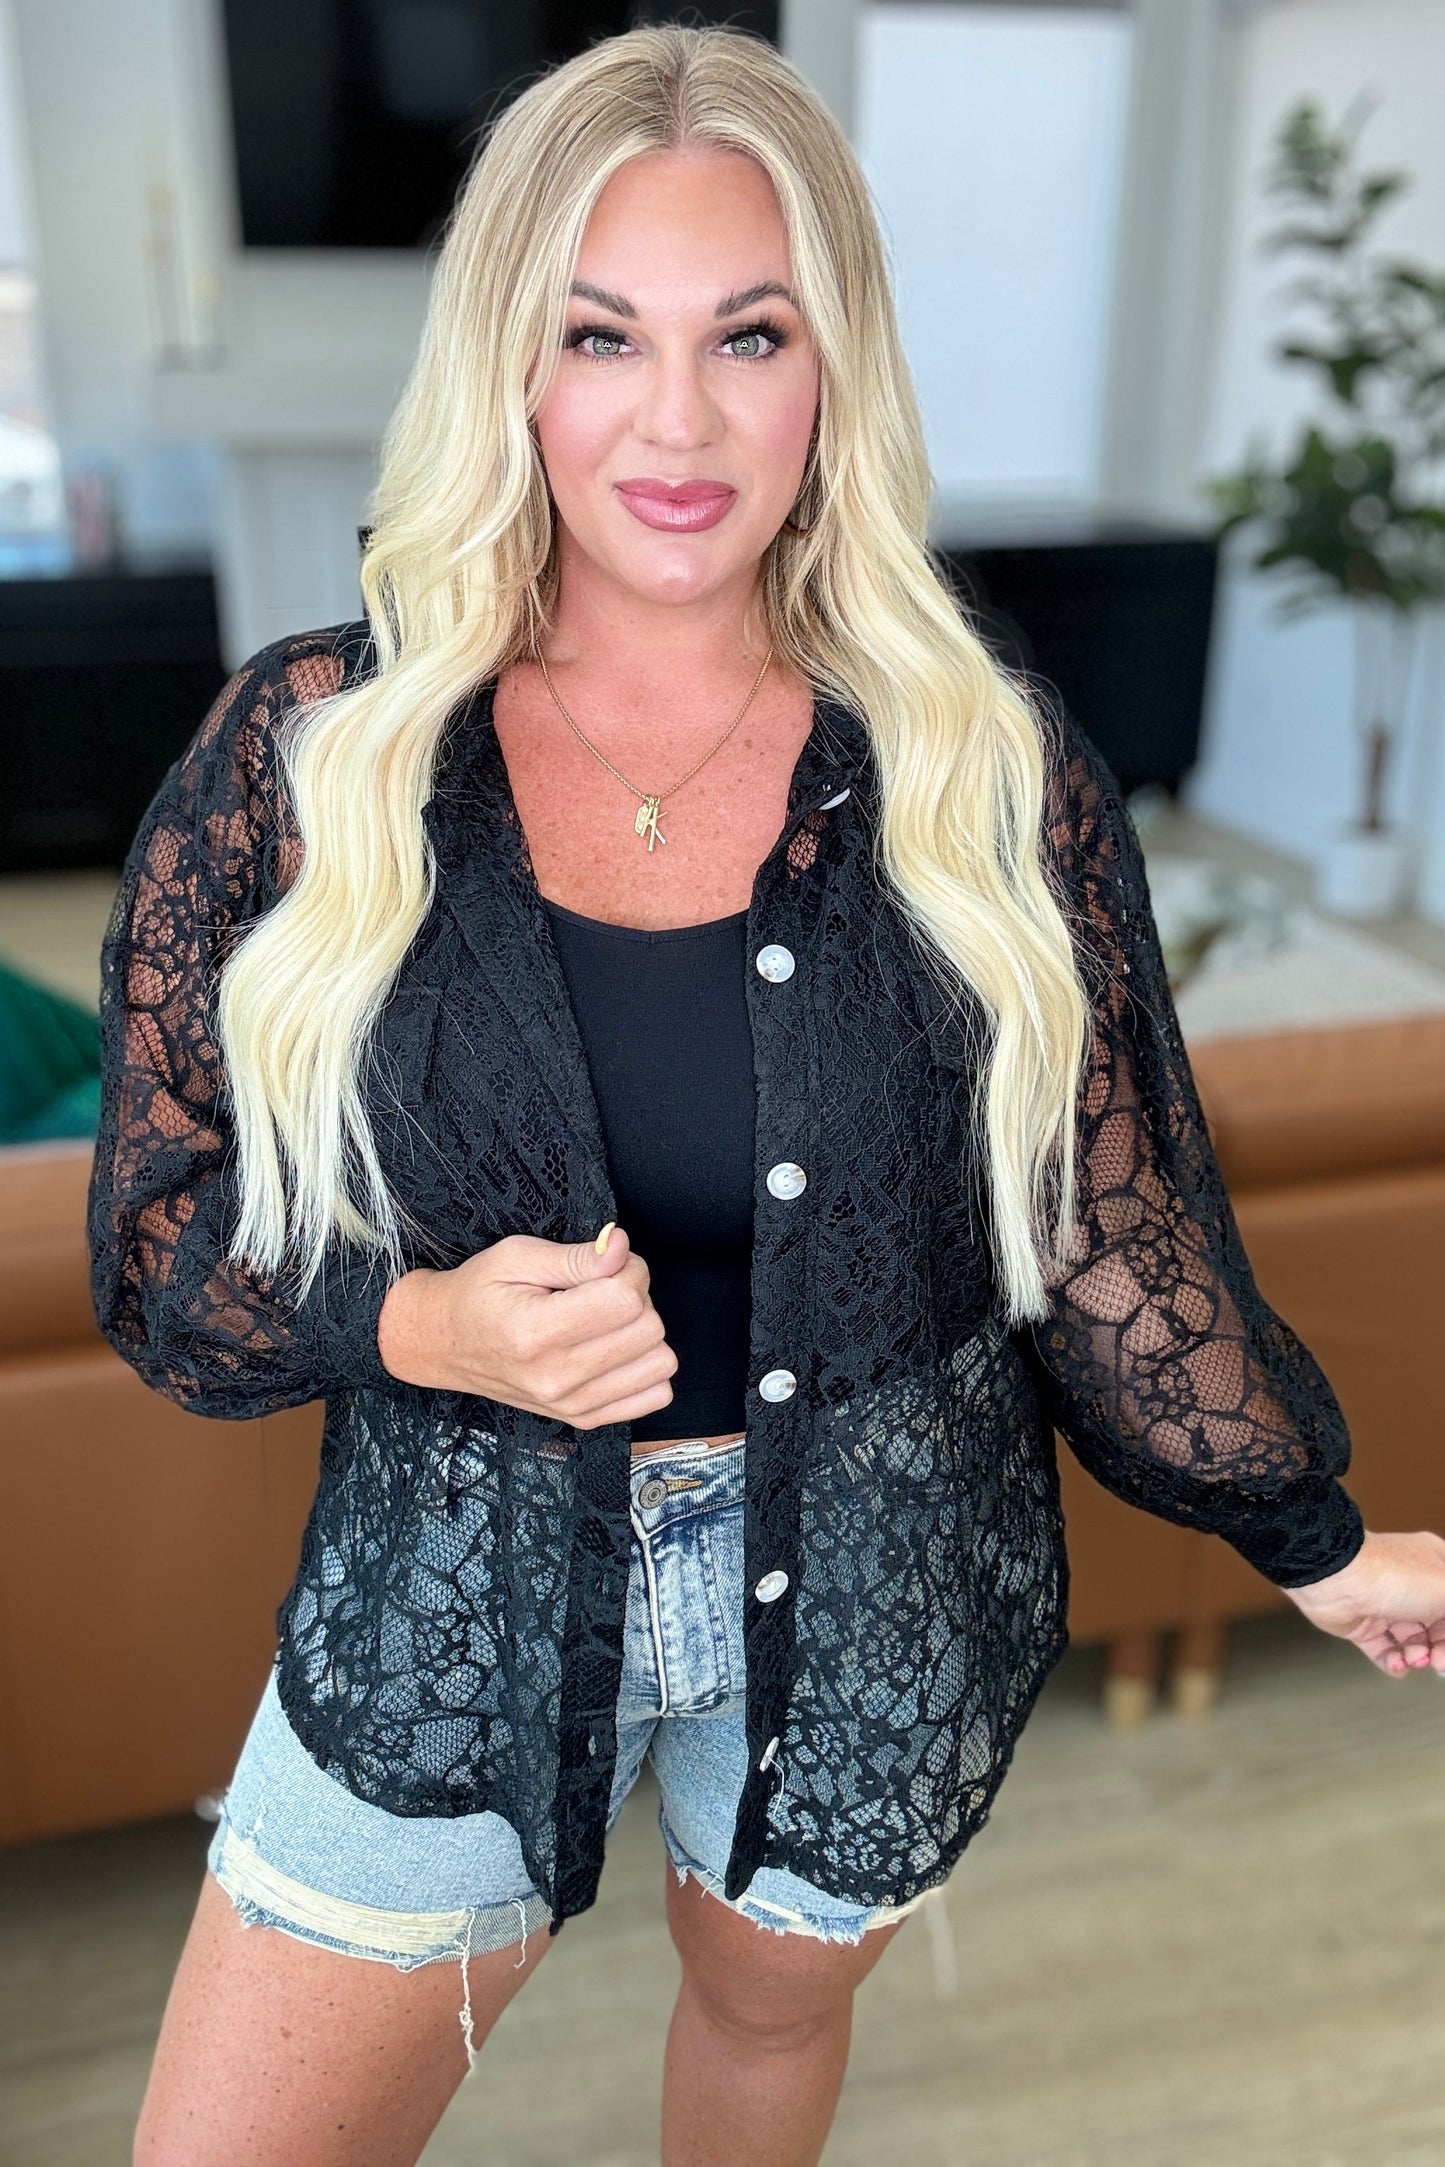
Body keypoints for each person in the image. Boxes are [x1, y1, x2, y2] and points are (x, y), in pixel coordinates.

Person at [89, 24, 1445, 2167]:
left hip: (878, 1565)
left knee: (761, 2024)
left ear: (835, 370)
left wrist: (1312, 1531)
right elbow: (160, 1235)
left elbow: (1102, 1222)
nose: (679, 419)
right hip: (457, 1581)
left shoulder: (978, 760)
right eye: (601, 336)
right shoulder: (313, 752)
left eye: (749, 334)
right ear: (510, 368)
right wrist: (421, 1322)